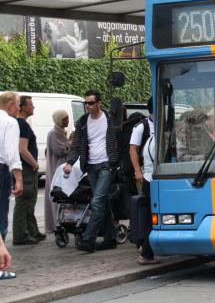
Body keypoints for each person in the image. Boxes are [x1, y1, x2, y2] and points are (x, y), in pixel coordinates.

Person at [63, 90, 120, 253]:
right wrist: (70, 162)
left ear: (99, 104)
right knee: (102, 203)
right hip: (90, 166)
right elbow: (76, 144)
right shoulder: (82, 122)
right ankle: (110, 239)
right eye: (85, 103)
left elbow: (120, 140)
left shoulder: (110, 118)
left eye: (90, 103)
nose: (87, 106)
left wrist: (116, 161)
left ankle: (88, 239)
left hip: (107, 165)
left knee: (96, 202)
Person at [13, 96, 45, 245]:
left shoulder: (20, 124)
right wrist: (35, 164)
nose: (33, 107)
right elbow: (22, 149)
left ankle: (32, 231)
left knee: (30, 200)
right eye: (31, 105)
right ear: (23, 107)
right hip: (26, 168)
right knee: (24, 201)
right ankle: (21, 235)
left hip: (25, 167)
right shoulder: (22, 125)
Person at [0, 92, 23, 244]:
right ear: (11, 105)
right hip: (1, 171)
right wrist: (19, 179)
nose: (19, 109)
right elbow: (11, 152)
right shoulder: (9, 122)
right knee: (1, 216)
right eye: (18, 105)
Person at [44, 110, 70, 234]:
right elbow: (60, 150)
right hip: (56, 168)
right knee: (57, 196)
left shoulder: (60, 133)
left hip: (61, 168)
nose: (67, 121)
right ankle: (55, 223)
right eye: (65, 119)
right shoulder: (54, 133)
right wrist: (70, 143)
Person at [134, 135, 158, 265]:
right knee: (152, 220)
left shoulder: (149, 139)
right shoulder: (157, 140)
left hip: (148, 180)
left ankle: (145, 250)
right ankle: (146, 254)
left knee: (149, 219)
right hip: (153, 181)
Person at [129, 97, 154, 192]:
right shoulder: (141, 127)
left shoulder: (165, 126)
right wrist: (138, 172)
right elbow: (133, 150)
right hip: (145, 174)